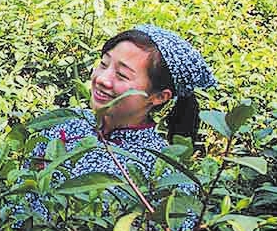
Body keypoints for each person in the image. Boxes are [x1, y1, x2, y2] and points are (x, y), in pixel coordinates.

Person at [33, 24, 214, 204]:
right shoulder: (64, 122)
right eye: (103, 64)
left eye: (122, 75)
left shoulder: (165, 173)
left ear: (159, 97)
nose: (102, 79)